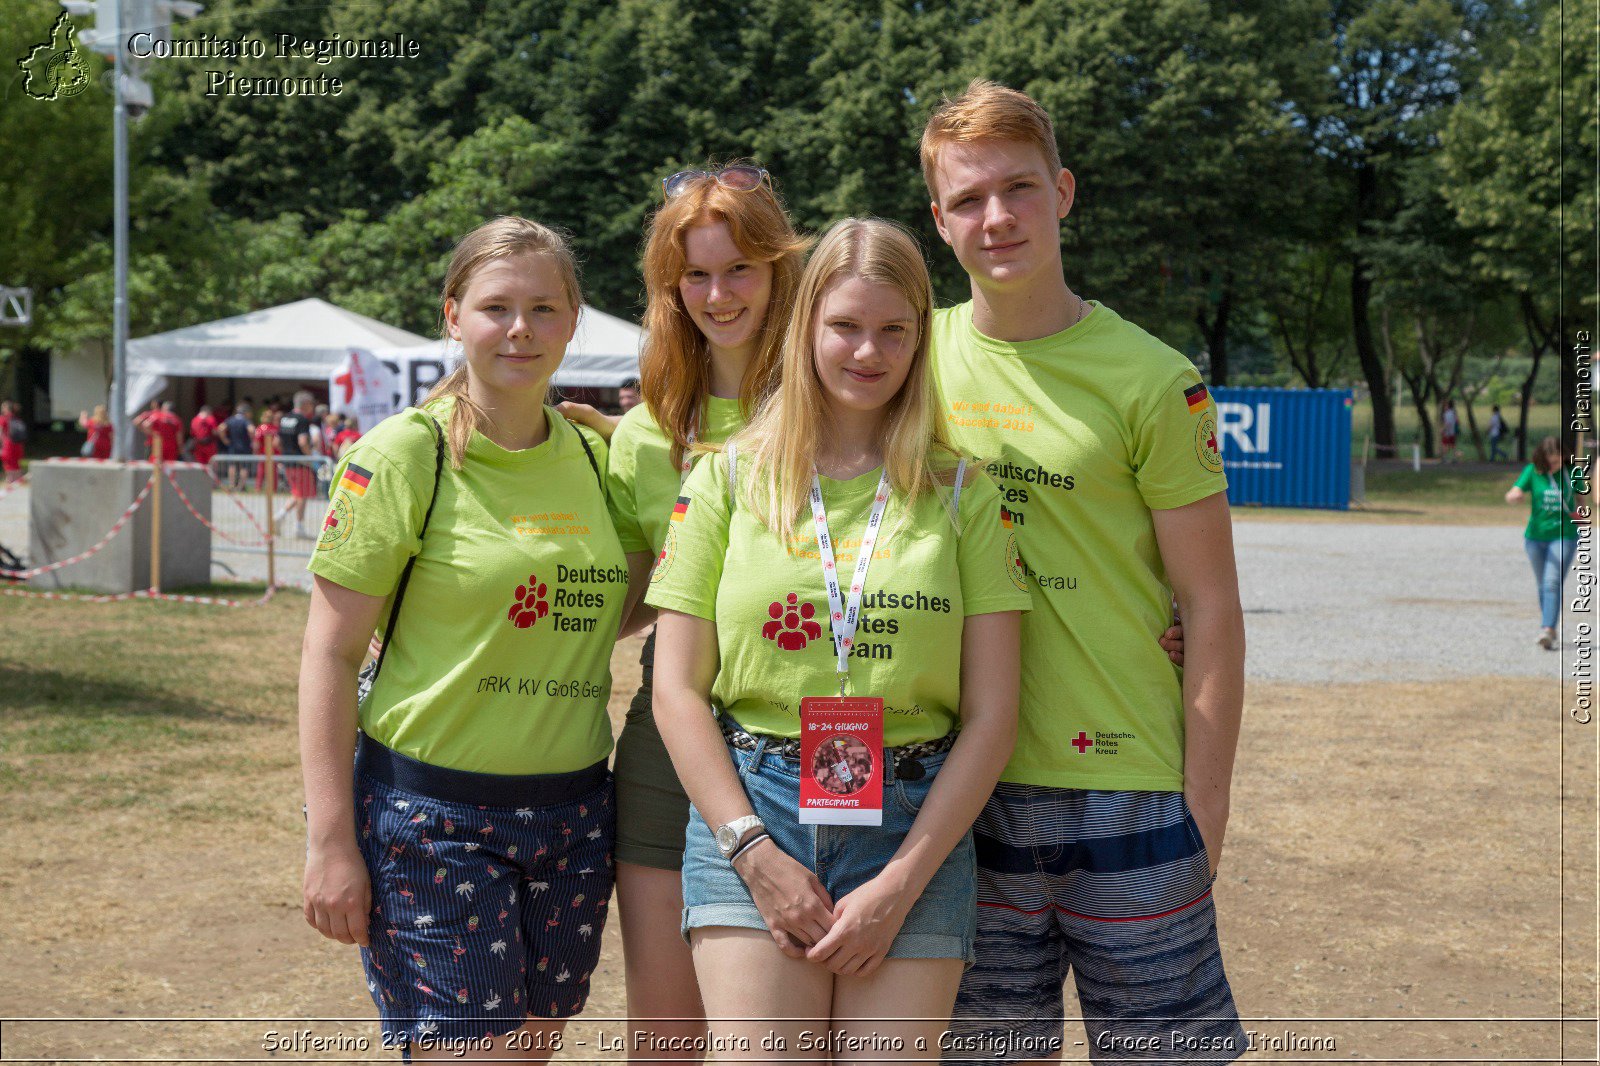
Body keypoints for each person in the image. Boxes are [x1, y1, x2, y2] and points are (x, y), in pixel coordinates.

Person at [919, 81, 1247, 1061]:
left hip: (1132, 784)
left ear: (1062, 192)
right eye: (968, 200)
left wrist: (1206, 805)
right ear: (938, 221)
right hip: (957, 790)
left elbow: (1212, 605)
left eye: (1017, 188)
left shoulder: (1152, 377)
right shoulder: (901, 361)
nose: (997, 217)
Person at [649, 217, 1030, 1057]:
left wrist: (902, 883)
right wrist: (752, 853)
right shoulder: (726, 476)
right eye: (846, 327)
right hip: (755, 813)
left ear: (922, 337)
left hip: (914, 827)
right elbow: (674, 688)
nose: (870, 352)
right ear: (804, 328)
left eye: (895, 330)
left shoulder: (967, 491)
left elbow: (994, 714)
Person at [300, 215, 637, 1060]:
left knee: (530, 1051)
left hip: (575, 818)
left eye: (544, 308)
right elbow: (330, 653)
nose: (520, 329)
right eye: (496, 307)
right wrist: (330, 840)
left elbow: (612, 610)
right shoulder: (405, 456)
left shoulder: (601, 458)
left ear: (573, 319)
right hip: (432, 819)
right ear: (453, 315)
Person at [602, 163, 809, 1055]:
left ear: (779, 272)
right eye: (696, 274)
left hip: (814, 739)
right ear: (669, 286)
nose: (718, 295)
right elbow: (624, 598)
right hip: (668, 747)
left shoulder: (840, 400)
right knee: (668, 1036)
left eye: (740, 270)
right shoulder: (648, 431)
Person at [1506, 436, 1582, 650]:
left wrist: (1581, 515)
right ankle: (1549, 626)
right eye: (1549, 461)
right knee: (1543, 585)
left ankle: (1547, 629)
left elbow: (1580, 500)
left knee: (1551, 582)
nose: (1553, 465)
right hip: (1535, 538)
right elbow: (1514, 492)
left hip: (1564, 535)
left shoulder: (1572, 473)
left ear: (1564, 456)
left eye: (1557, 460)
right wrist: (1514, 497)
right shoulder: (1533, 471)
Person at [278, 391, 318, 538]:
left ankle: (280, 515)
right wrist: (309, 457)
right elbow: (302, 442)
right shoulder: (302, 420)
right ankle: (299, 527)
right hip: (301, 462)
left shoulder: (284, 418)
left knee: (296, 492)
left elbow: (277, 442)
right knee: (302, 494)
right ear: (306, 404)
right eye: (311, 404)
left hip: (287, 461)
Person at [221, 402, 254, 489]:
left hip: (233, 446)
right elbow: (251, 429)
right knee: (244, 467)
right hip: (245, 446)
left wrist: (225, 440)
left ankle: (231, 485)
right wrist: (252, 439)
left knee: (232, 465)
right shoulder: (246, 420)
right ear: (246, 412)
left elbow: (221, 428)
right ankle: (240, 486)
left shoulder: (230, 419)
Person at [0, 401, 23, 483]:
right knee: (16, 465)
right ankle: (19, 483)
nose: (2, 409)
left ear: (7, 409)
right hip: (18, 445)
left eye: (3, 407)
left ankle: (11, 482)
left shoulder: (3, 419)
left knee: (9, 465)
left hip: (7, 446)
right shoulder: (16, 418)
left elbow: (1, 433)